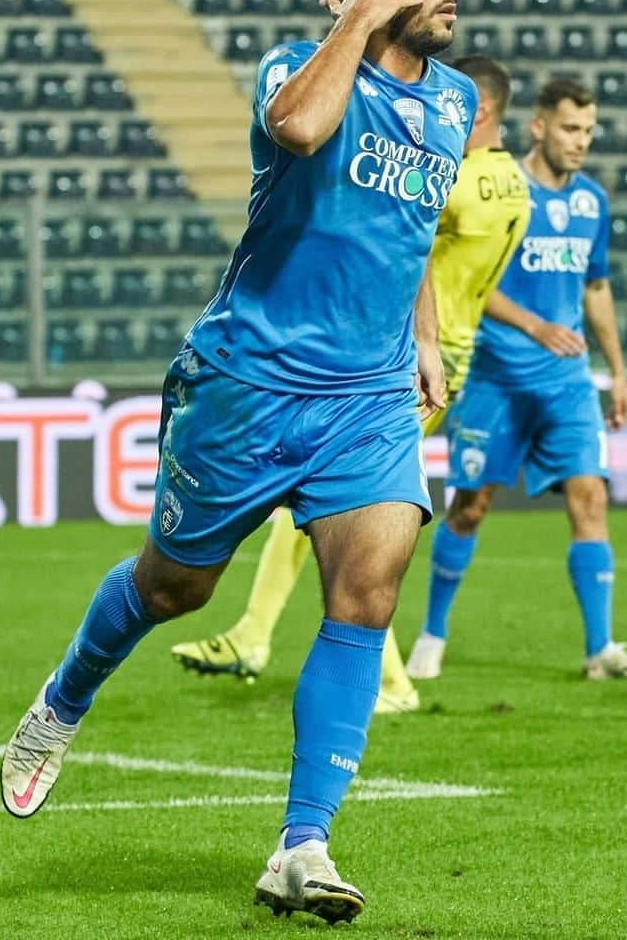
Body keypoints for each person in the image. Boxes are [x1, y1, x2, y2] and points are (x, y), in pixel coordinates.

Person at [0, 0, 477, 925]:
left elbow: (414, 229)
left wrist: (426, 336)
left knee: (368, 590)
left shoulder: (453, 101)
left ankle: (303, 844)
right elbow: (298, 128)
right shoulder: (296, 68)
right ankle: (67, 695)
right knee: (177, 589)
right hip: (250, 382)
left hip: (368, 397)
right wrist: (356, 19)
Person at [169, 55, 530, 713]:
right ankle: (283, 646)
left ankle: (345, 667)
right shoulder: (514, 185)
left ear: (476, 111)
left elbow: (391, 222)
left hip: (406, 357)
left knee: (333, 505)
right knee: (330, 505)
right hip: (455, 348)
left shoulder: (461, 181)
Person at [405, 79, 627, 682]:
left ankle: (600, 649)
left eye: (590, 131)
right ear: (540, 127)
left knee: (590, 498)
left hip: (568, 383)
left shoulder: (593, 202)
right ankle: (433, 633)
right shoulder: (503, 191)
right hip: (496, 376)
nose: (582, 142)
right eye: (571, 129)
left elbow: (596, 287)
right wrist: (536, 325)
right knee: (470, 508)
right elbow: (470, 279)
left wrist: (618, 372)